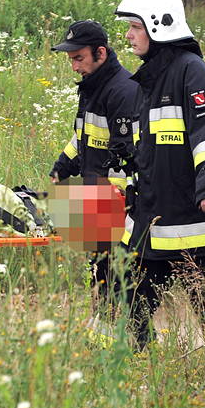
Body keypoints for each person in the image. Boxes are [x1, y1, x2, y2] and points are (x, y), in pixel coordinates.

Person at [114, 0, 205, 349]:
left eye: (135, 27)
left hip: (195, 219)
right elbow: (152, 149)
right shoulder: (151, 77)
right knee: (127, 300)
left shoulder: (191, 71)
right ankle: (124, 364)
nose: (128, 36)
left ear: (159, 25)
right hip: (156, 218)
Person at [49, 20, 138, 322]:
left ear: (100, 52)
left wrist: (111, 207)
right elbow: (84, 136)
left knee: (118, 282)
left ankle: (124, 343)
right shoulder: (92, 87)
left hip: (117, 209)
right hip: (97, 202)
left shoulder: (123, 91)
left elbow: (127, 159)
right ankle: (104, 334)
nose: (74, 66)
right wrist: (63, 165)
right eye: (70, 59)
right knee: (101, 279)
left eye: (79, 58)